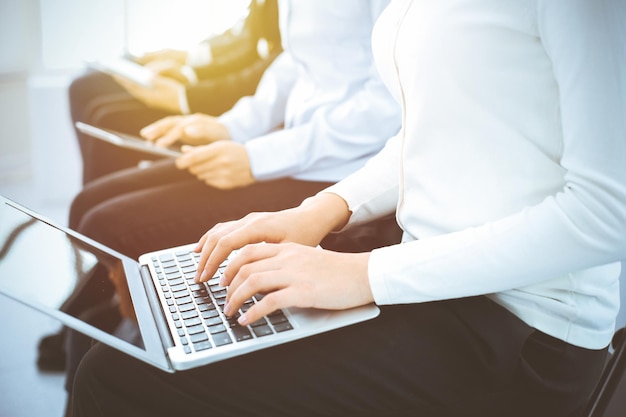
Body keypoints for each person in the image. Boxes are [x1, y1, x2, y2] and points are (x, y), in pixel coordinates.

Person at [70, 0, 626, 416]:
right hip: (429, 289)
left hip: (522, 338)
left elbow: (607, 215)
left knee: (116, 380)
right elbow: (425, 134)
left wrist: (363, 273)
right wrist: (318, 211)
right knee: (154, 350)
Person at [61, 0, 400, 412]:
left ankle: (137, 334)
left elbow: (385, 105)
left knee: (108, 224)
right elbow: (296, 62)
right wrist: (232, 127)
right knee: (86, 209)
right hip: (294, 149)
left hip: (337, 169)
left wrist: (259, 157)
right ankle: (127, 320)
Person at [70, 0, 281, 184]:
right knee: (84, 90)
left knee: (108, 118)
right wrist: (187, 66)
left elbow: (265, 65)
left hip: (239, 108)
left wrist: (187, 94)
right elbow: (245, 39)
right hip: (241, 107)